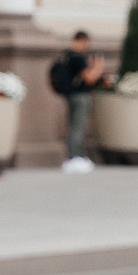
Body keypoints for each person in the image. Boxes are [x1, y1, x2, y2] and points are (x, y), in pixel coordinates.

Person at [48, 31, 105, 173]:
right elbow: (90, 78)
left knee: (73, 124)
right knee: (78, 126)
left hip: (70, 95)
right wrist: (98, 66)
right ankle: (75, 157)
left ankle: (75, 156)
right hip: (80, 96)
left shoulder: (65, 55)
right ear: (83, 41)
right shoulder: (77, 58)